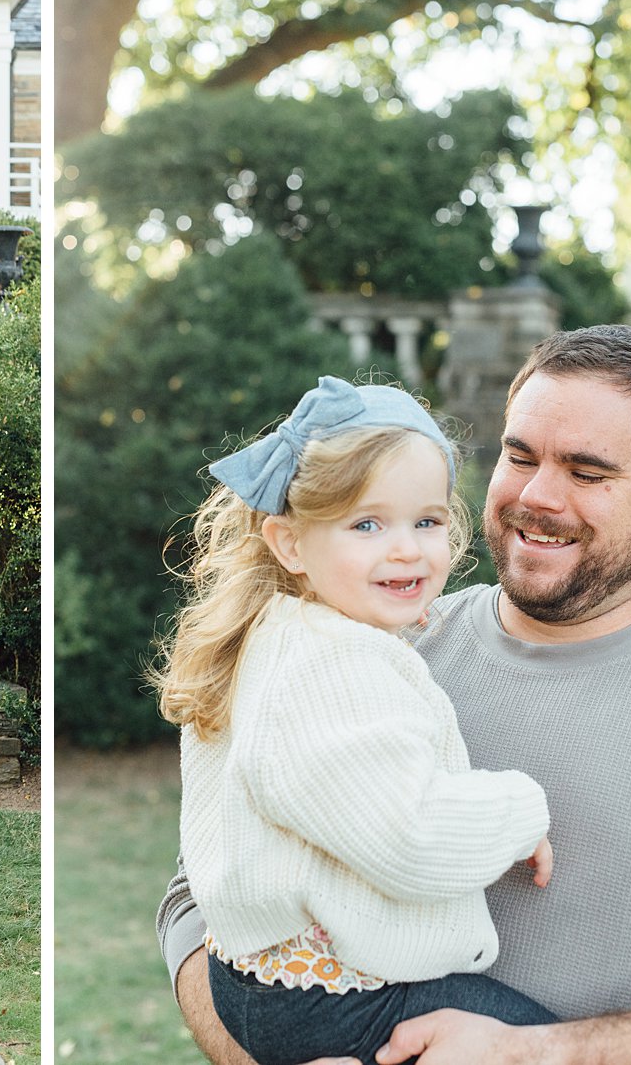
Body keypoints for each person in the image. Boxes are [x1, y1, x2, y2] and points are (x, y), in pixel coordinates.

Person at [158, 326, 631, 1065]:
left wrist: (537, 1055)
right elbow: (199, 900)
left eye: (586, 473)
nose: (536, 495)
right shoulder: (372, 643)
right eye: (519, 456)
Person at [154, 377, 555, 1065]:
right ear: (288, 543)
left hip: (262, 983)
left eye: (426, 521)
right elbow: (409, 836)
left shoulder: (278, 635)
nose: (406, 549)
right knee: (551, 1048)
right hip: (338, 1000)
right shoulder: (333, 666)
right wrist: (522, 810)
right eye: (366, 524)